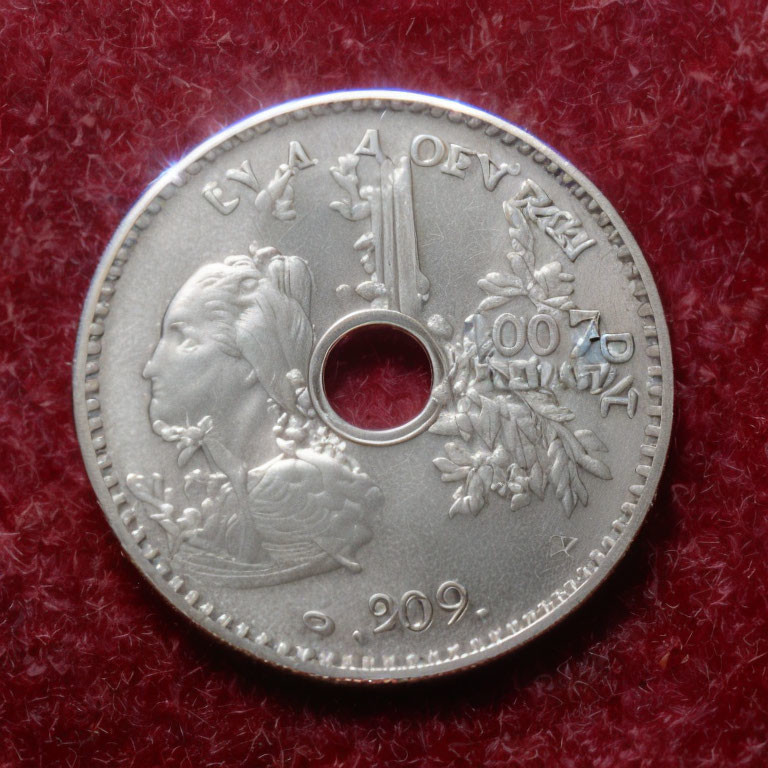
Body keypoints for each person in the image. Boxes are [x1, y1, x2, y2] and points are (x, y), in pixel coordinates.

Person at [140, 245, 381, 584]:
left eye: (184, 340)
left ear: (253, 360)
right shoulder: (219, 496)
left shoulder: (289, 489)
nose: (150, 368)